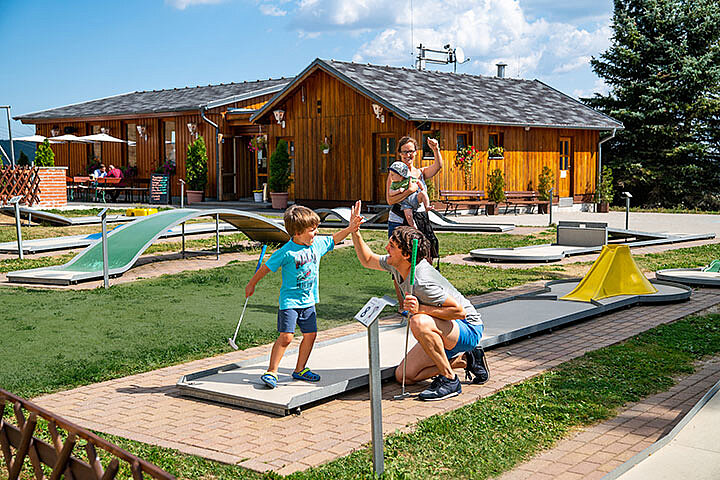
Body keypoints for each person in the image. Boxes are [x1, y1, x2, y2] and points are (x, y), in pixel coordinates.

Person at [349, 202, 489, 401]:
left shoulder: (422, 282)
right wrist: (355, 232)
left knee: (418, 321)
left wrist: (421, 308)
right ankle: (466, 359)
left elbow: (459, 312)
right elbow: (367, 260)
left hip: (468, 327)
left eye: (392, 246)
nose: (386, 248)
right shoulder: (396, 264)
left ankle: (450, 380)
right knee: (404, 376)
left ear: (406, 254)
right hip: (447, 328)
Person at [245, 202, 364, 389]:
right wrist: (251, 284)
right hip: (290, 302)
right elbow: (265, 268)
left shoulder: (317, 245)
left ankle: (300, 369)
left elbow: (334, 239)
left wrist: (350, 228)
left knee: (311, 335)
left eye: (316, 229)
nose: (316, 233)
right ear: (298, 232)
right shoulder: (286, 252)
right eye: (312, 230)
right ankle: (272, 371)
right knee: (286, 337)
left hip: (309, 302)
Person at [386, 136, 443, 237]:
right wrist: (409, 191)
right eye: (404, 152)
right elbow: (390, 200)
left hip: (420, 219)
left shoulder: (421, 172)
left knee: (423, 250)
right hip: (399, 221)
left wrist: (435, 149)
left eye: (411, 151)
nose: (408, 155)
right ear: (399, 153)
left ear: (416, 152)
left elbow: (438, 166)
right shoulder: (393, 175)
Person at [388, 161, 432, 229]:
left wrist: (422, 188)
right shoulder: (394, 184)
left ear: (401, 175)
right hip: (406, 203)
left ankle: (427, 206)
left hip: (415, 198)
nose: (391, 176)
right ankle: (413, 226)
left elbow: (418, 181)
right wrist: (398, 191)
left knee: (423, 194)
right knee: (408, 216)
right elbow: (390, 192)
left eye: (393, 174)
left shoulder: (409, 179)